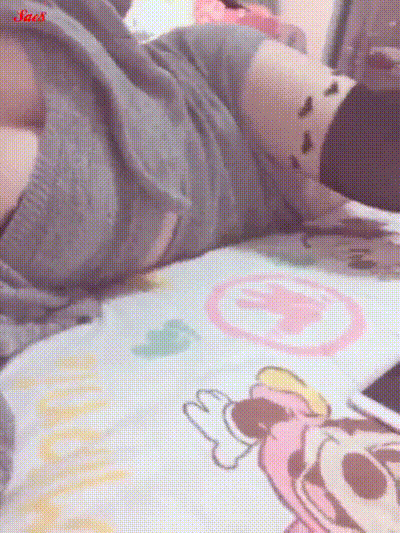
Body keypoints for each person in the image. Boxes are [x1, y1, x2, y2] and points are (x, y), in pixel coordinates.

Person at [0, 0, 398, 360]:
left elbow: (56, 14)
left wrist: (37, 12)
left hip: (205, 86)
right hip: (222, 163)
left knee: (379, 142)